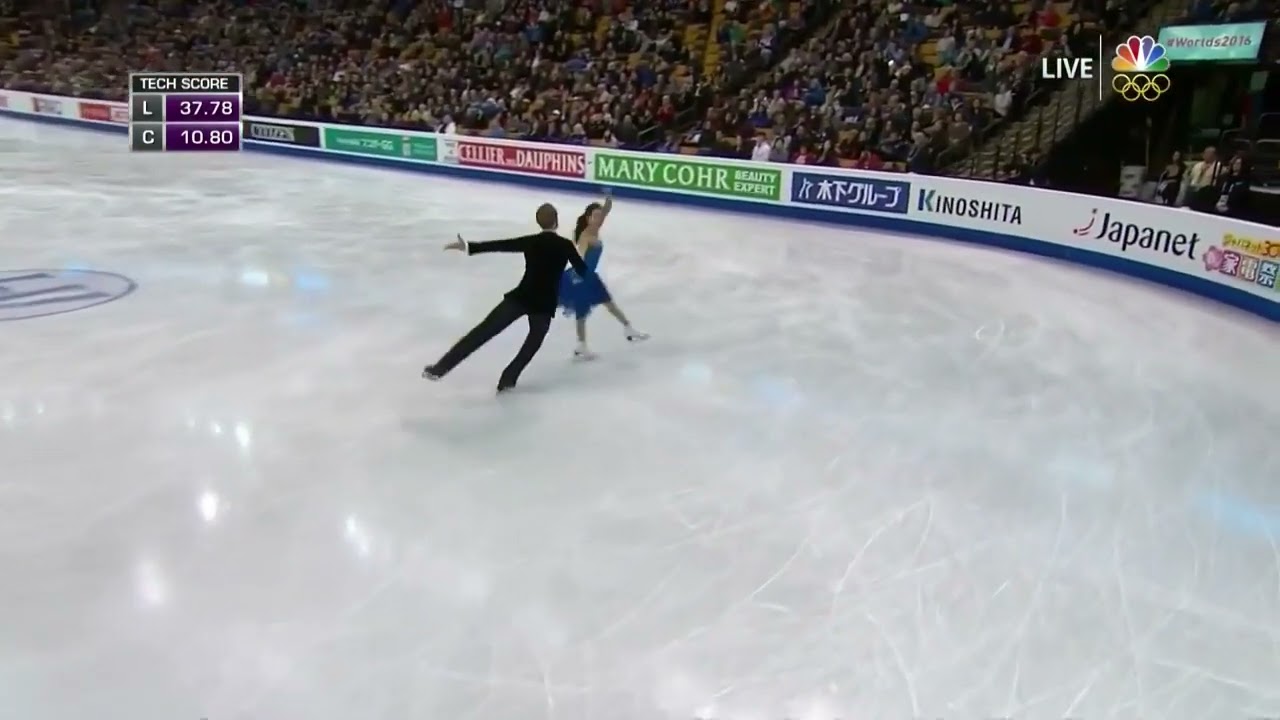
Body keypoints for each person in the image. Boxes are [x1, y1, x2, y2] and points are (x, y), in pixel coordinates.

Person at [422, 203, 590, 393]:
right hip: (544, 304)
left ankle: (440, 369)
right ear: (556, 221)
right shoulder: (565, 245)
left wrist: (469, 247)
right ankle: (508, 379)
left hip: (521, 297)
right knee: (533, 343)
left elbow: (502, 245)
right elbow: (583, 272)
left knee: (482, 332)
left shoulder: (531, 241)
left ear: (538, 222)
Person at [558, 191, 648, 360]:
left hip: (591, 277)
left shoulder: (595, 227)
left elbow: (606, 210)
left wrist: (608, 197)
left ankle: (627, 329)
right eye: (596, 216)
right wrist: (578, 274)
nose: (600, 218)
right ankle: (582, 344)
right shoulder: (585, 235)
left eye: (600, 216)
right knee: (582, 312)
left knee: (607, 304)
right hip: (582, 276)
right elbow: (581, 256)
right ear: (588, 218)